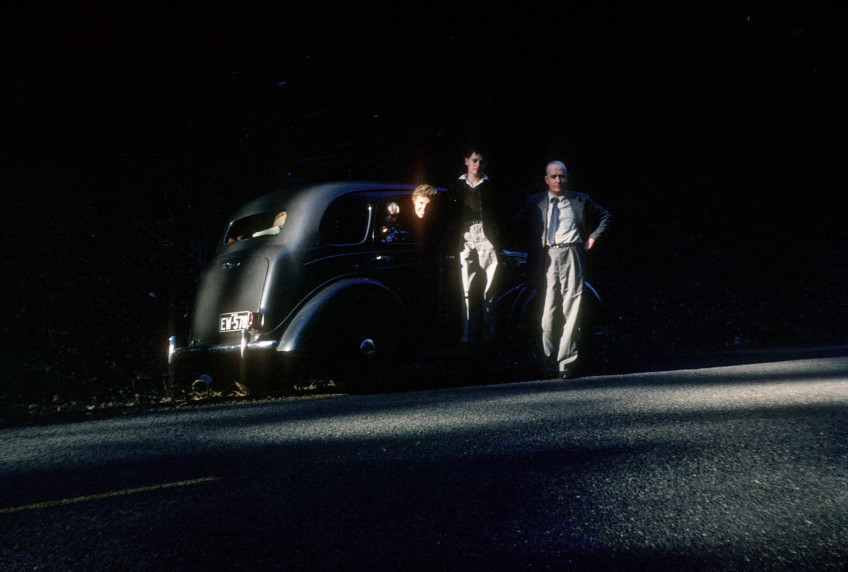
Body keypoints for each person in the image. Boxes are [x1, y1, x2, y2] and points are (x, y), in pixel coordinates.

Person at [512, 160, 612, 378]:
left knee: (571, 307)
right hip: (547, 257)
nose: (558, 180)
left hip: (573, 254)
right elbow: (516, 224)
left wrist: (593, 238)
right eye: (554, 176)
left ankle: (566, 362)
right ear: (546, 180)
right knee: (548, 310)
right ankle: (547, 359)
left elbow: (606, 216)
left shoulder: (580, 199)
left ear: (567, 178)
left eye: (562, 176)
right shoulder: (535, 201)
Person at [446, 146, 505, 345]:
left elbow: (500, 214)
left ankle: (490, 336)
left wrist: (496, 236)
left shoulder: (491, 186)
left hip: (486, 235)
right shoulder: (456, 187)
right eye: (474, 161)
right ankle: (468, 336)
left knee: (490, 288)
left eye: (481, 162)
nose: (477, 165)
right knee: (466, 288)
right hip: (465, 235)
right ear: (466, 161)